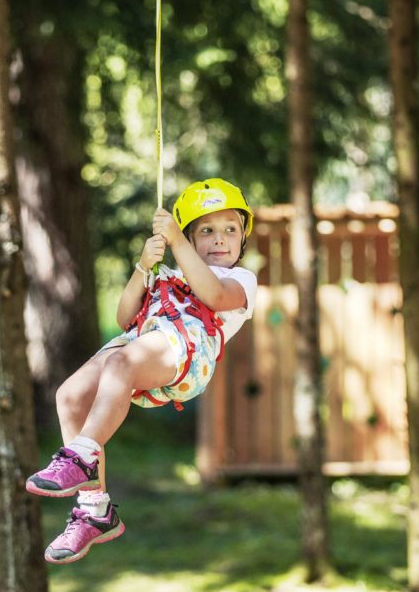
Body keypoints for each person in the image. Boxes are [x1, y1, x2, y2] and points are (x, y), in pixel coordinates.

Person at [25, 178, 258, 564]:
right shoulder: (171, 274)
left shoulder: (240, 279)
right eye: (207, 231)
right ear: (190, 236)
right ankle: (94, 510)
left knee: (121, 361)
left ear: (242, 238)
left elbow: (214, 297)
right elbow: (124, 317)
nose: (220, 239)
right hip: (141, 342)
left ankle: (81, 456)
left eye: (230, 230)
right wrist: (143, 266)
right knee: (69, 395)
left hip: (186, 352)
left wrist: (178, 245)